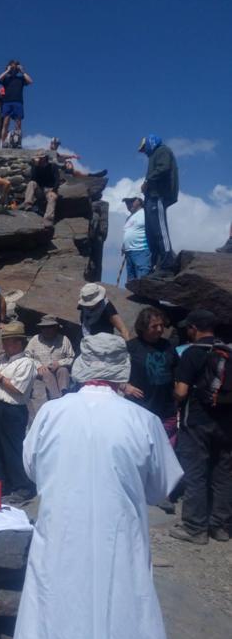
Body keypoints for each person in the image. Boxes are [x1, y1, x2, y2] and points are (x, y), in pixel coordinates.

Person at [0, 333, 195, 639]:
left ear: (83, 366)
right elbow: (162, 486)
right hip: (118, 550)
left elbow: (34, 468)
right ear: (124, 370)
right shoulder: (143, 421)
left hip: (61, 547)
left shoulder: (52, 414)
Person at [171, 309, 232, 544]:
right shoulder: (227, 351)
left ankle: (195, 528)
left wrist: (175, 396)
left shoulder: (192, 353)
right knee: (223, 473)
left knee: (196, 472)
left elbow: (181, 392)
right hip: (226, 423)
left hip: (196, 421)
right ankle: (221, 527)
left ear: (194, 328)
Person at [0, 322, 37, 501]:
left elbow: (18, 389)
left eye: (9, 342)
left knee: (13, 448)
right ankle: (2, 482)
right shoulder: (2, 360)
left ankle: (23, 486)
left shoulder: (26, 363)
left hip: (13, 409)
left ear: (19, 343)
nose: (5, 346)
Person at [126, 307, 178, 445]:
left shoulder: (168, 345)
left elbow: (177, 371)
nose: (160, 329)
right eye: (154, 326)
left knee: (166, 451)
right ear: (143, 327)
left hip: (166, 409)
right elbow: (115, 371)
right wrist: (125, 386)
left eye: (161, 325)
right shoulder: (131, 347)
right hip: (140, 408)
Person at [138, 135, 179, 273]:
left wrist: (147, 181)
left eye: (144, 148)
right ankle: (157, 263)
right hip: (151, 197)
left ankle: (168, 262)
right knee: (151, 232)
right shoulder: (153, 156)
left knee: (161, 231)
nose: (143, 151)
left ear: (150, 143)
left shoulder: (162, 150)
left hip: (158, 196)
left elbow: (164, 168)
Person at [25, 314, 74, 400]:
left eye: (50, 327)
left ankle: (64, 394)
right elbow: (27, 357)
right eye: (44, 327)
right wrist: (38, 365)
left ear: (56, 327)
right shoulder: (34, 340)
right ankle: (57, 398)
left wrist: (59, 363)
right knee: (46, 373)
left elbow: (72, 358)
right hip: (41, 371)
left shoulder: (64, 339)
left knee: (63, 370)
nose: (47, 330)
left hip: (59, 369)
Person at [0, 60, 32, 148]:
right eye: (12, 67)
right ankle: (3, 142)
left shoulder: (20, 79)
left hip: (18, 101)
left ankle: (18, 142)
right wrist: (8, 70)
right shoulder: (6, 79)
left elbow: (30, 81)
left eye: (15, 67)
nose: (13, 69)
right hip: (7, 101)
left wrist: (22, 71)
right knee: (5, 123)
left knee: (18, 123)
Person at [22, 153, 59, 226]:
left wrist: (54, 190)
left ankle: (48, 220)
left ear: (45, 157)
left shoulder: (52, 166)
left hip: (50, 189)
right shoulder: (36, 166)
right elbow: (33, 179)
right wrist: (35, 166)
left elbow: (57, 180)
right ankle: (28, 205)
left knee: (52, 197)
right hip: (40, 190)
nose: (40, 159)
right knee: (31, 183)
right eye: (39, 158)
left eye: (42, 157)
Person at [121, 195, 151, 280]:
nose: (128, 204)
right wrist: (124, 245)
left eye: (131, 201)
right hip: (129, 252)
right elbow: (128, 232)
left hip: (142, 250)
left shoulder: (146, 213)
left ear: (139, 200)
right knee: (131, 280)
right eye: (126, 202)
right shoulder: (129, 218)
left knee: (142, 278)